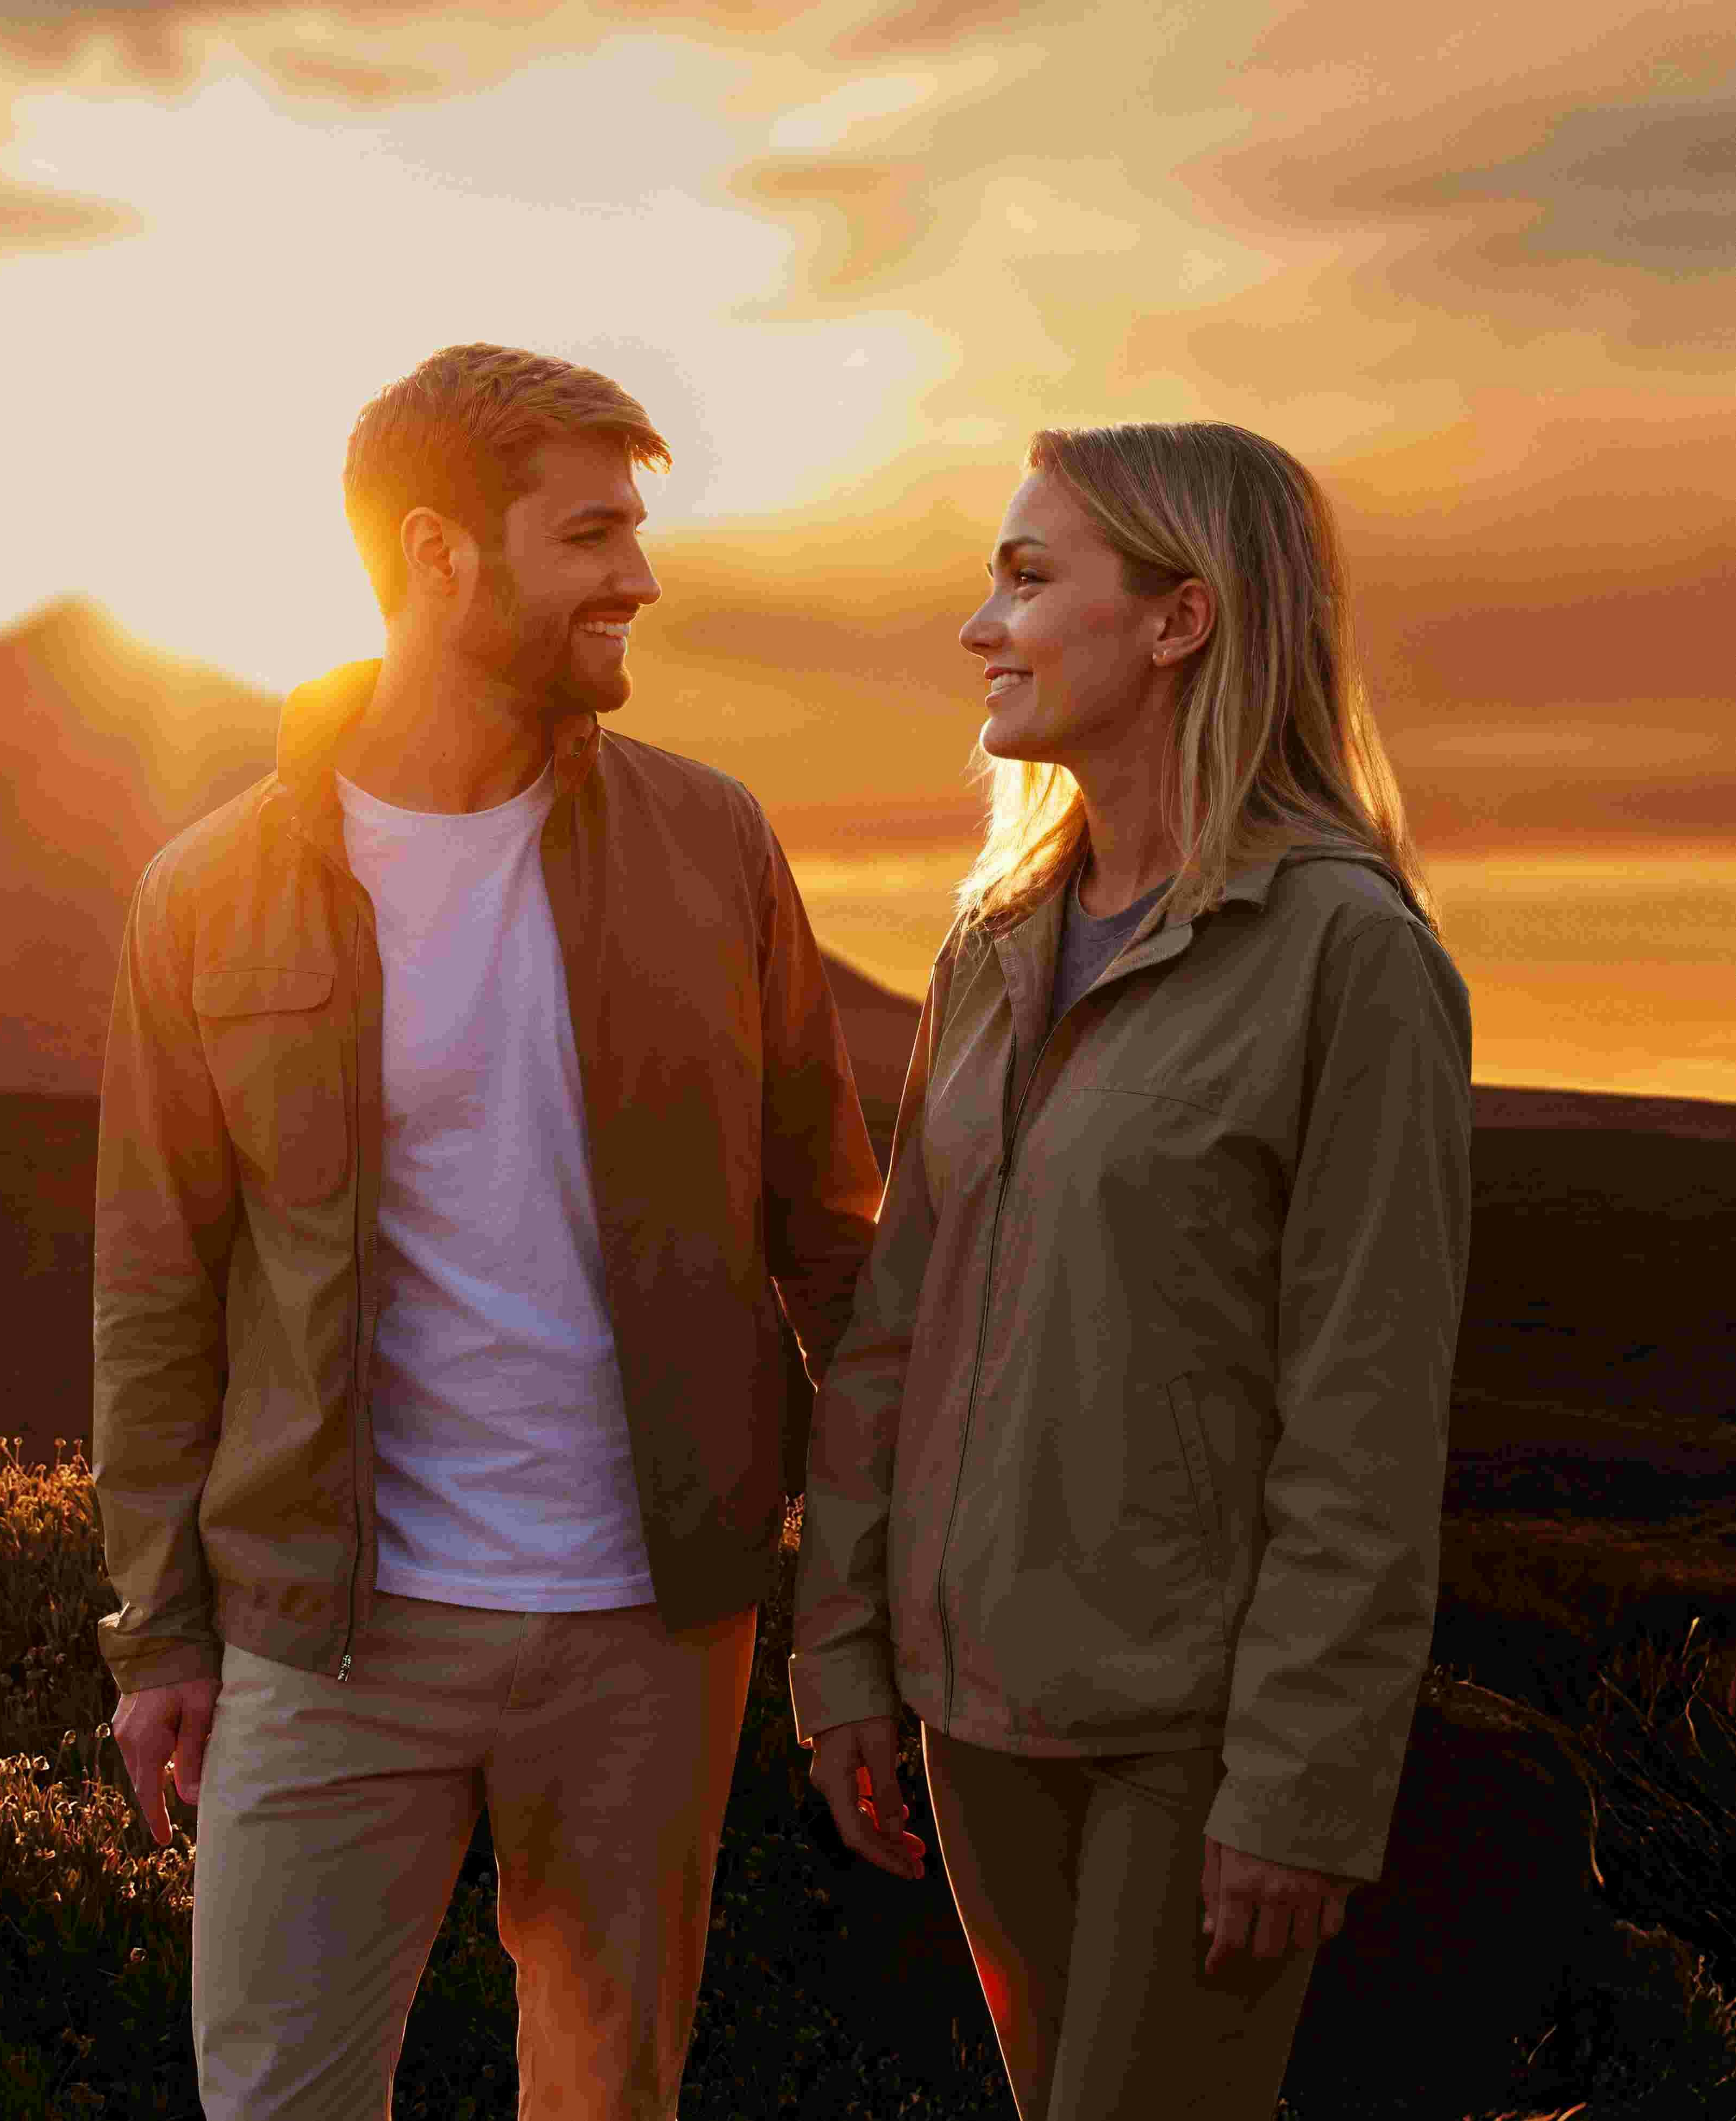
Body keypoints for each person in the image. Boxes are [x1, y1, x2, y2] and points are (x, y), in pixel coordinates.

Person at [91, 342, 882, 2118]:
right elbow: (157, 1289)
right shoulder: (204, 896)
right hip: (321, 1632)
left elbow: (834, 1246)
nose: (640, 578)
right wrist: (158, 1638)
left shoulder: (712, 843)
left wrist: (857, 1608)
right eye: (591, 531)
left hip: (650, 1635)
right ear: (438, 558)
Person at [789, 421, 1474, 2120]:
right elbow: (897, 1336)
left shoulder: (1348, 956)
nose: (979, 627)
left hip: (1189, 1738)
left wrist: (1298, 1787)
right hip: (974, 1724)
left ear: (1179, 621)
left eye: (1027, 579)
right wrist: (844, 1654)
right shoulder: (991, 942)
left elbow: (1362, 1416)